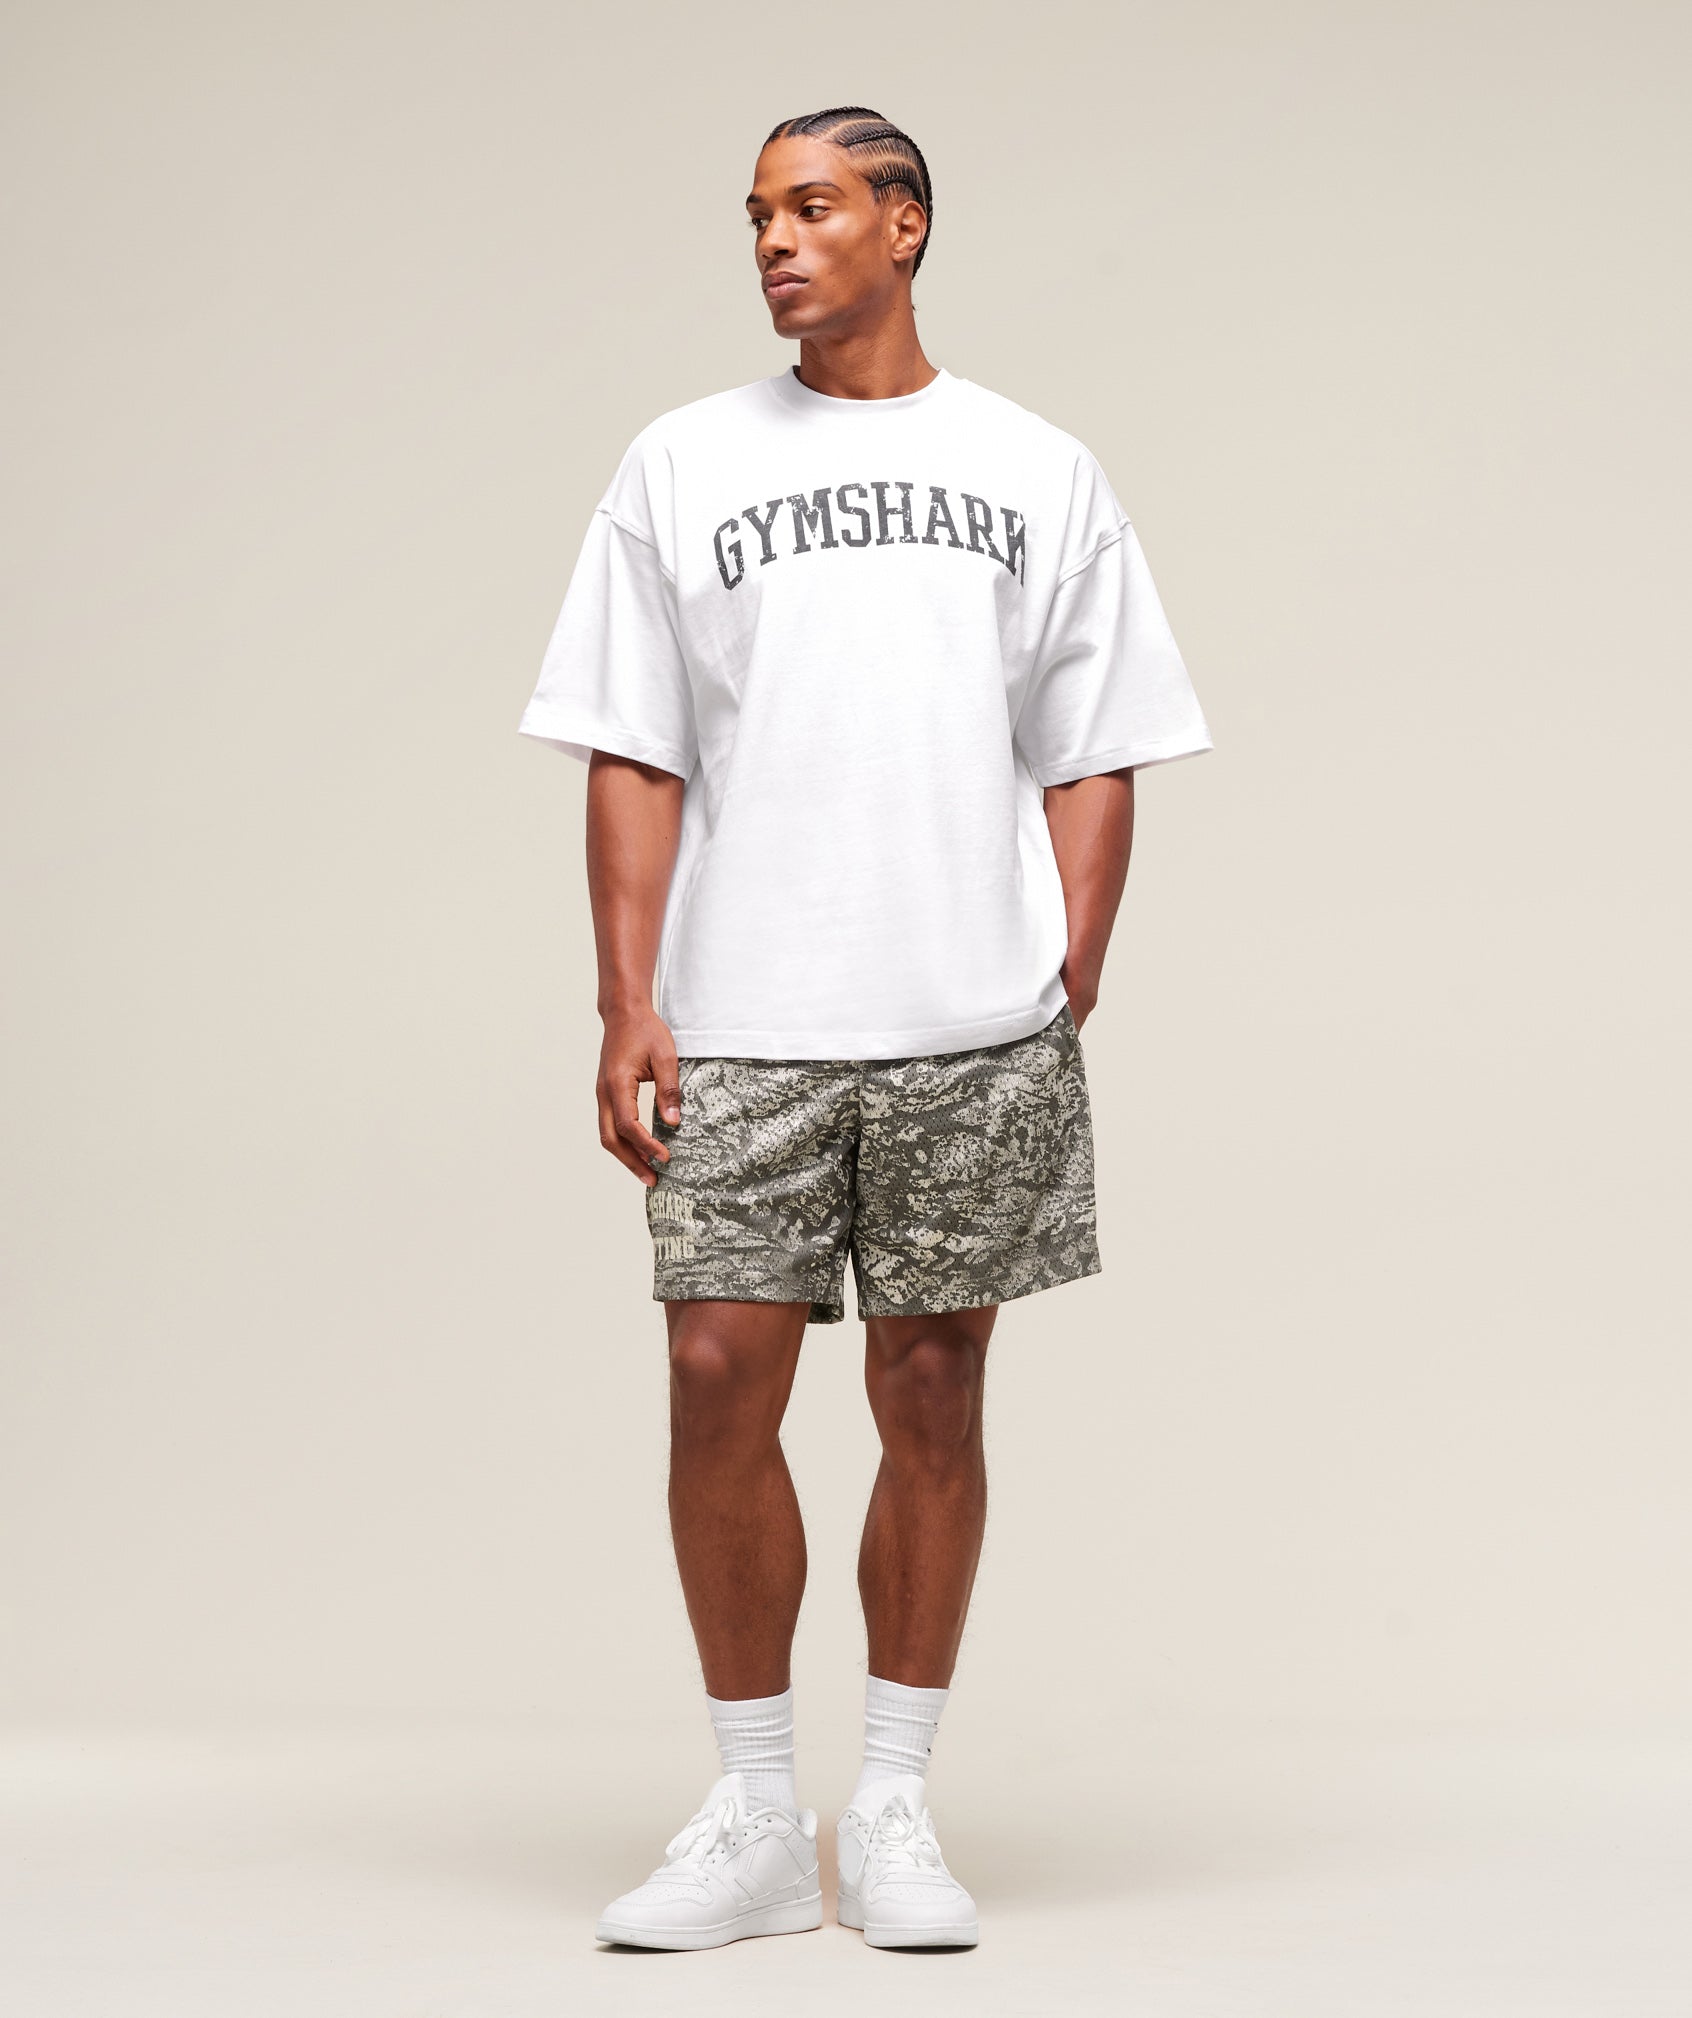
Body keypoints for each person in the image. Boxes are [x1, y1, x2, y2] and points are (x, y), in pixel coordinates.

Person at [518, 105, 1211, 1953]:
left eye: (812, 207)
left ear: (906, 225)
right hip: (743, 1014)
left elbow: (1097, 739)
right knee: (713, 1374)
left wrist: (1070, 961)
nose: (774, 240)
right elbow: (630, 745)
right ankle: (756, 1811)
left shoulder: (1037, 467)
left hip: (966, 1022)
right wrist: (626, 996)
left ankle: (892, 1797)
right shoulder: (679, 462)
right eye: (758, 213)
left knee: (932, 1389)